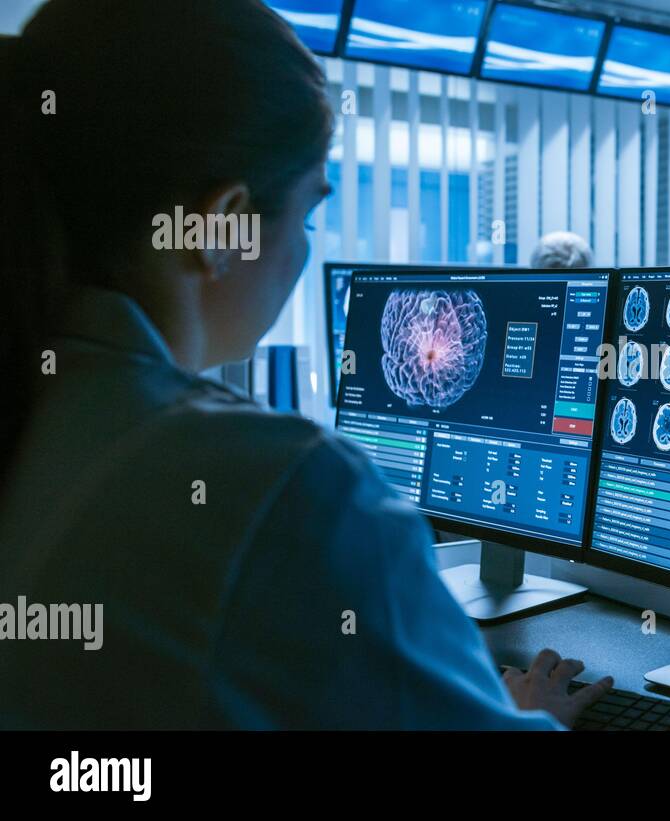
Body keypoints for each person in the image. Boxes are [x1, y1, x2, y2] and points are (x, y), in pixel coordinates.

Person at [0, 0, 609, 730]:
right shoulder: (287, 489)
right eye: (309, 214)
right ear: (218, 226)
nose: (306, 247)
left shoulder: (43, 396)